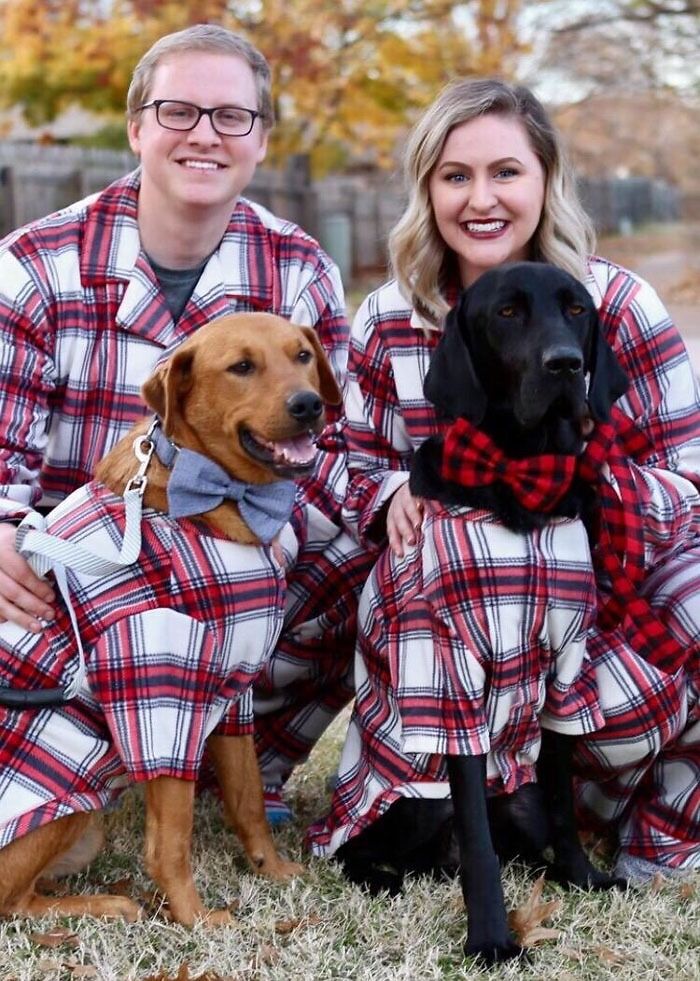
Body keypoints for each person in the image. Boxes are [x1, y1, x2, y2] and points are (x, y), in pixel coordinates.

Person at [308, 78, 700, 881]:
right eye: (456, 176)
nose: (481, 199)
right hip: (450, 607)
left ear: (547, 179)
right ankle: (429, 802)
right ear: (428, 189)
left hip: (595, 586)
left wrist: (581, 484)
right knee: (342, 567)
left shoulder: (618, 302)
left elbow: (688, 483)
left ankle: (654, 828)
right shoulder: (390, 315)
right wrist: (394, 492)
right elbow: (350, 466)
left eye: (506, 172)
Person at [0, 23, 370, 824]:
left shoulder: (298, 268)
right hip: (81, 579)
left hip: (234, 545)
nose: (205, 134)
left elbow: (331, 447)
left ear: (260, 140)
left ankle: (238, 767)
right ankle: (61, 756)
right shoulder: (33, 264)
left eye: (231, 116)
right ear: (137, 128)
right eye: (178, 111)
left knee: (363, 561)